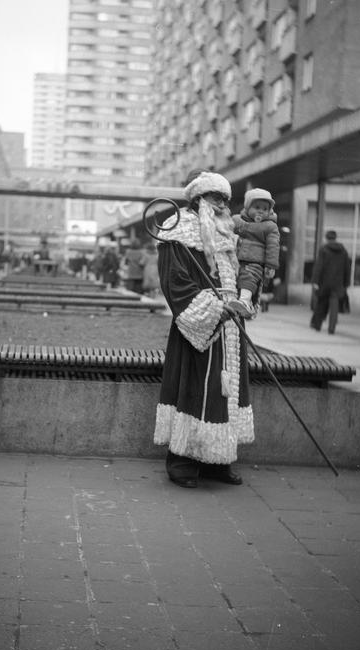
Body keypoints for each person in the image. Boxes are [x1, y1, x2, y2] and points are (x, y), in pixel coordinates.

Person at [154, 169, 254, 489]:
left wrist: (243, 300)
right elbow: (175, 284)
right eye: (216, 198)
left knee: (223, 394)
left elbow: (235, 277)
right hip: (199, 325)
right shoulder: (178, 230)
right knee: (197, 390)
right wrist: (214, 308)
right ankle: (183, 461)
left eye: (226, 199)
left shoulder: (224, 233)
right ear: (198, 200)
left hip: (229, 331)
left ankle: (217, 460)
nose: (223, 205)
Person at [228, 187, 280, 319]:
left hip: (254, 261)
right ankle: (234, 301)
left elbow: (273, 246)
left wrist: (270, 266)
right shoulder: (236, 221)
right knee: (230, 278)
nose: (261, 211)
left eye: (265, 209)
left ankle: (245, 301)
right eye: (257, 207)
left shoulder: (270, 226)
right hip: (235, 259)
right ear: (247, 207)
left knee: (249, 277)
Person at [310, 229, 351, 335]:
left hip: (325, 282)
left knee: (322, 302)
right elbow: (347, 268)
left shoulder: (324, 249)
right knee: (334, 306)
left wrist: (315, 281)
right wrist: (346, 283)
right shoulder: (343, 251)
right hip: (338, 283)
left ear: (327, 238)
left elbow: (319, 266)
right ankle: (331, 329)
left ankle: (317, 325)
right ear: (335, 238)